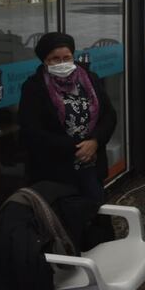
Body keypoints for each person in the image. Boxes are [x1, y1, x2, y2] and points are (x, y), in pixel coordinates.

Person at [19, 32, 117, 206]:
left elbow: (109, 115)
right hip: (55, 171)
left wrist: (95, 141)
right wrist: (77, 147)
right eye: (55, 59)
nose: (62, 63)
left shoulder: (89, 79)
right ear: (45, 61)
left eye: (67, 57)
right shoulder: (34, 88)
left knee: (96, 214)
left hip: (91, 166)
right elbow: (31, 131)